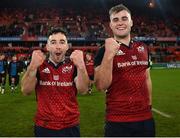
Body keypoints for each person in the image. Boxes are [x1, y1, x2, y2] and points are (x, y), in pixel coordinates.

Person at [94, 4, 155, 137]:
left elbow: (147, 78)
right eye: (115, 20)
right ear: (110, 25)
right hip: (117, 121)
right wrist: (109, 54)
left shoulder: (143, 48)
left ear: (131, 22)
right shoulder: (103, 51)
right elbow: (100, 86)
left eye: (124, 18)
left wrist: (149, 105)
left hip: (145, 119)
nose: (120, 23)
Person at [21, 28, 89, 137]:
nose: (58, 46)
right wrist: (32, 67)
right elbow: (26, 90)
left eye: (62, 42)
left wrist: (81, 66)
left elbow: (83, 90)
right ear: (47, 47)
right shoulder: (39, 65)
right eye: (53, 42)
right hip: (44, 125)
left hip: (70, 124)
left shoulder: (73, 65)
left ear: (67, 46)